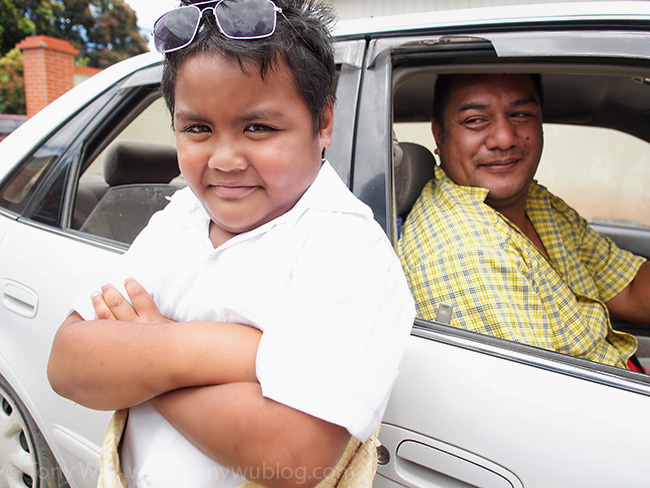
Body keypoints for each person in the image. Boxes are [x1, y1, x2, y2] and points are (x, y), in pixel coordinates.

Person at [47, 1, 415, 487]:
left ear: (323, 122)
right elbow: (68, 362)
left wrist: (144, 353)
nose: (224, 159)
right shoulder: (180, 218)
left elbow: (292, 456)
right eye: (198, 128)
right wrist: (232, 352)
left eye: (258, 128)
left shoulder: (345, 248)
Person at [397, 73, 650, 372]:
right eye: (476, 120)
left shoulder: (535, 202)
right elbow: (546, 407)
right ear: (439, 135)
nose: (504, 138)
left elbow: (632, 290)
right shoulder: (463, 250)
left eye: (520, 115)